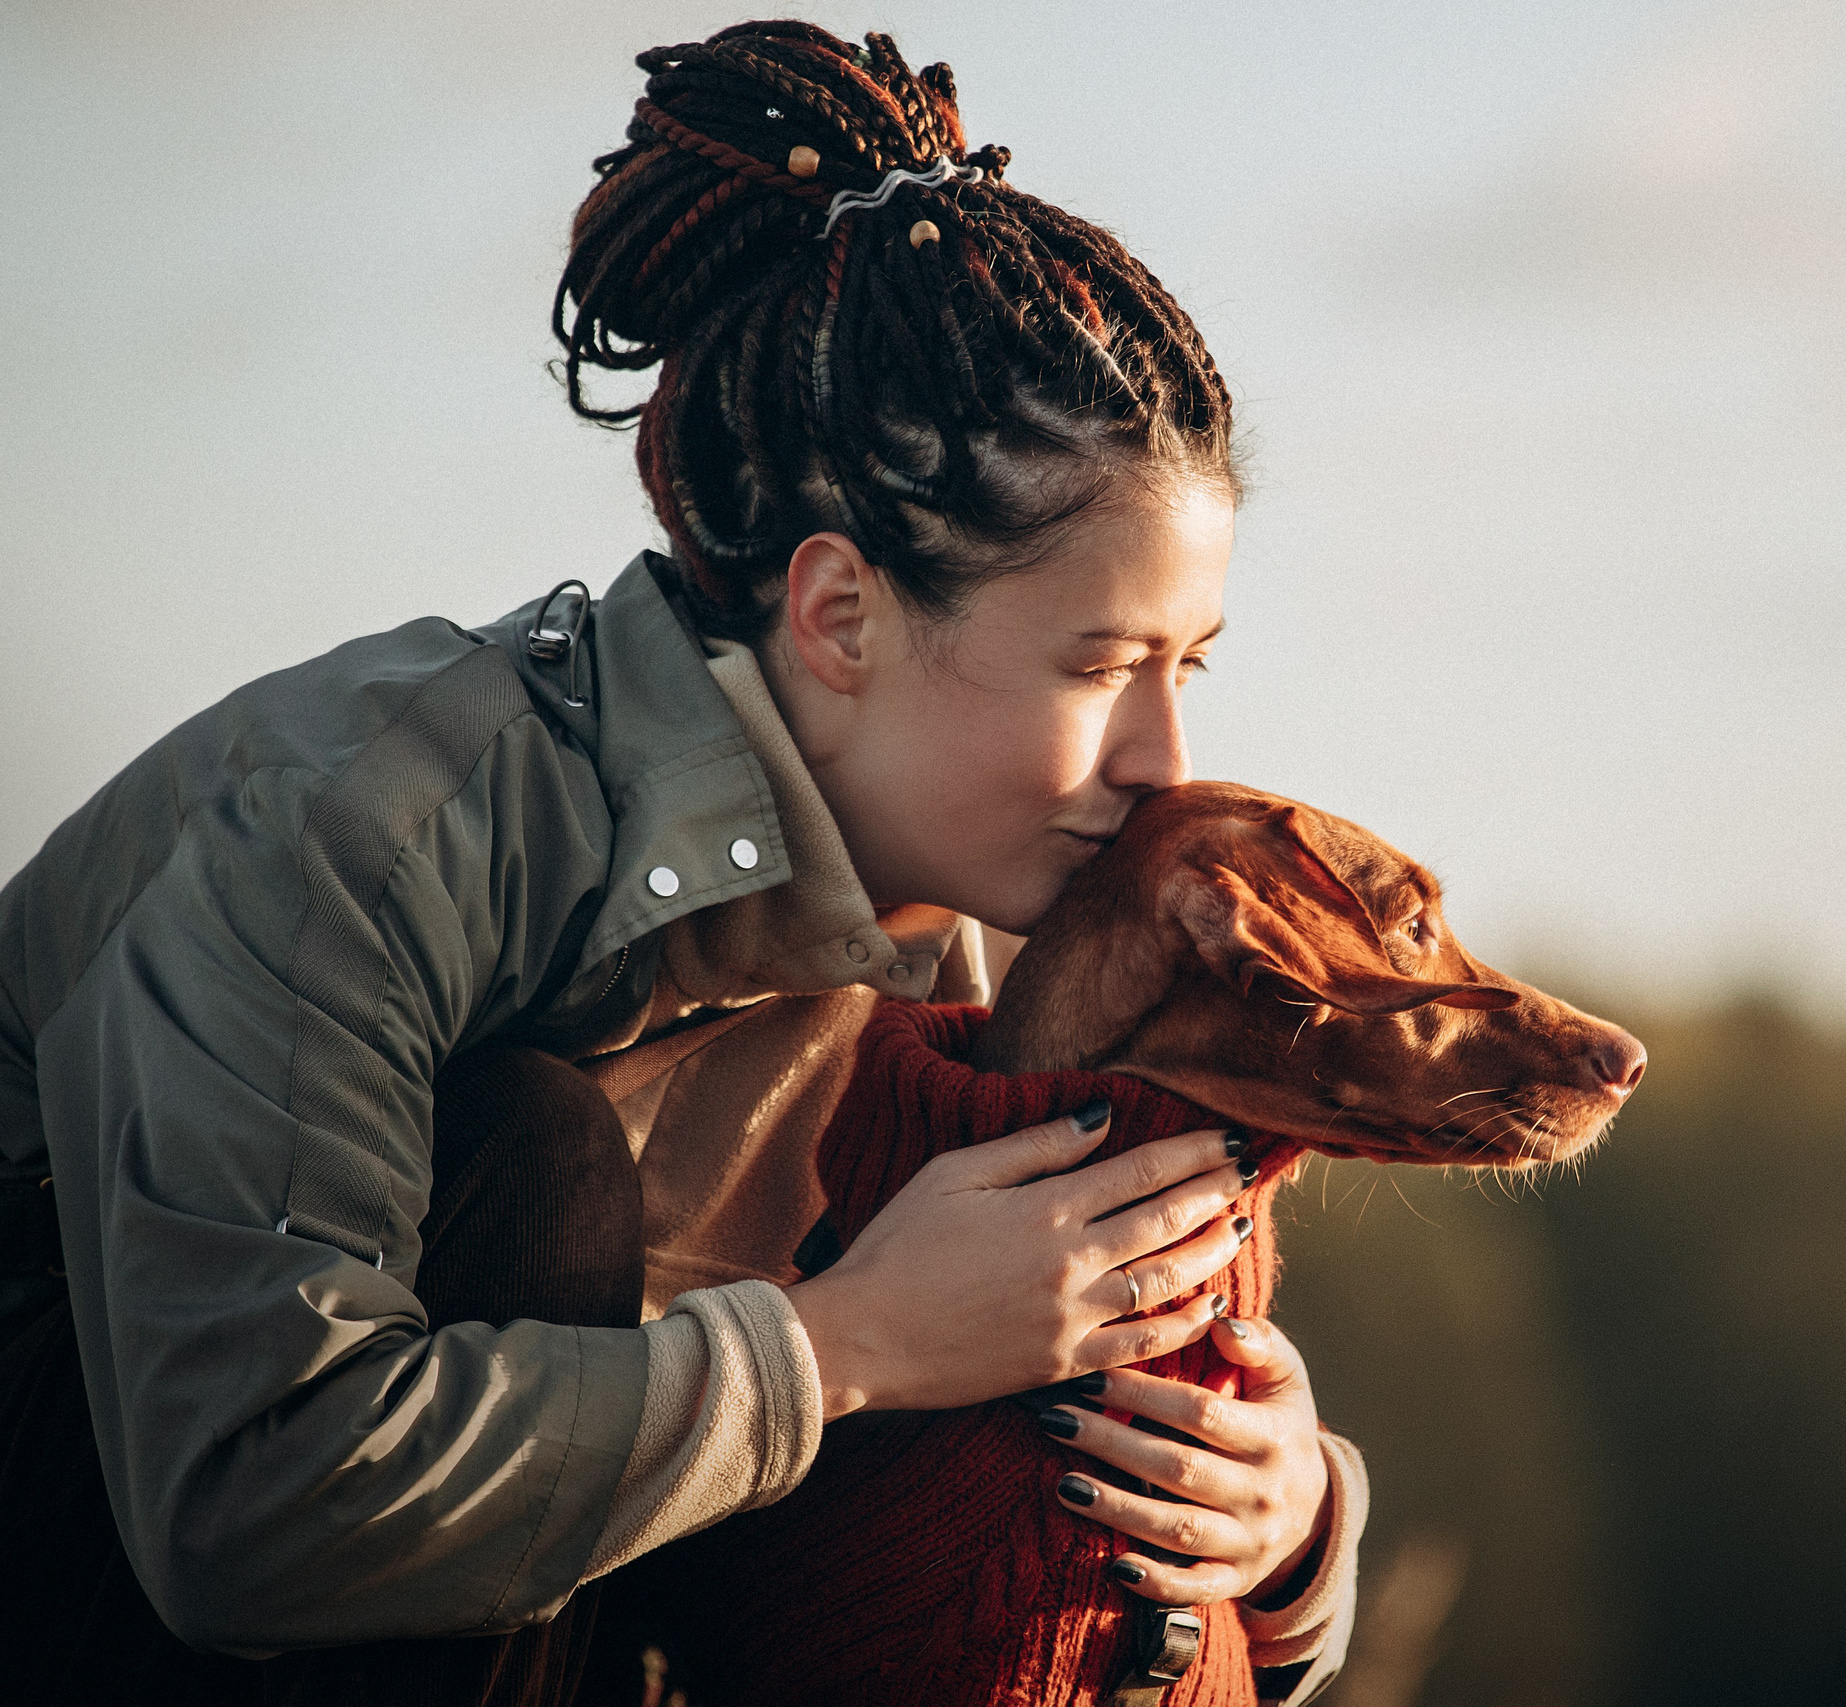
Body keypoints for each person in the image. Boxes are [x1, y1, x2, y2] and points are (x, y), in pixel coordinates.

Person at [0, 22, 1362, 1704]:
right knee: (527, 1158)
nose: (1164, 754)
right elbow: (246, 1510)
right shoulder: (363, 825)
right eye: (1102, 666)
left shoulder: (968, 927)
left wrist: (1281, 1519)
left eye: (1191, 664)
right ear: (840, 614)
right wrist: (853, 1346)